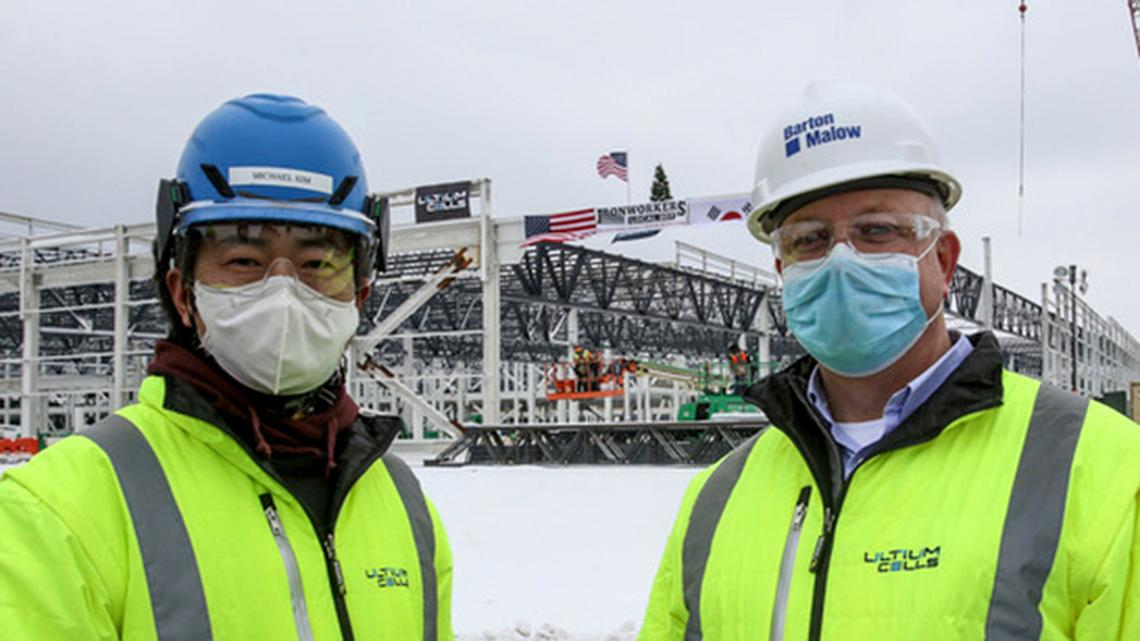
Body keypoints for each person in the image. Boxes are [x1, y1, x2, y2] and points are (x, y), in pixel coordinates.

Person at [639, 80, 1139, 640]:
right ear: (783, 274)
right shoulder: (717, 498)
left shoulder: (1100, 471)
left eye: (877, 231)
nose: (840, 260)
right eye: (809, 240)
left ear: (943, 260)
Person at [0, 94, 453, 640]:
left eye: (317, 263)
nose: (283, 290)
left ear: (358, 294)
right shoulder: (58, 513)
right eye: (243, 261)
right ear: (183, 293)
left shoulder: (407, 509)